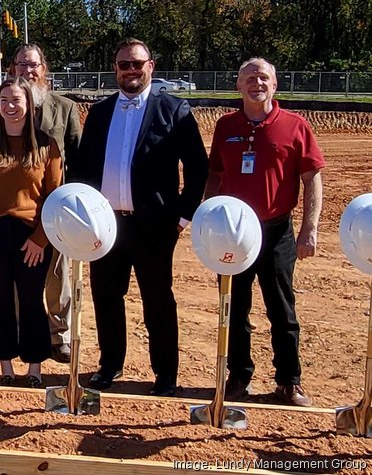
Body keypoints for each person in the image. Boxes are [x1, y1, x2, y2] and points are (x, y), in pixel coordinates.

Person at [72, 38, 208, 397]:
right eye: (123, 65)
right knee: (106, 296)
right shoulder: (100, 113)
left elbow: (197, 168)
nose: (130, 70)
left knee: (158, 300)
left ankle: (165, 374)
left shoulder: (174, 110)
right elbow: (84, 168)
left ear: (151, 66)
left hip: (155, 226)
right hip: (106, 225)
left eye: (137, 64)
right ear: (115, 69)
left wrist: (181, 217)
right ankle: (110, 365)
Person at [205, 57, 324, 407]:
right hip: (232, 234)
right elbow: (214, 175)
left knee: (282, 309)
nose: (257, 83)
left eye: (264, 78)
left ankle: (289, 380)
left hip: (276, 233)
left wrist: (309, 229)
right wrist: (208, 219)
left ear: (275, 85)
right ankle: (238, 375)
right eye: (250, 78)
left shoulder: (295, 126)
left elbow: (311, 178)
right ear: (238, 86)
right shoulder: (226, 126)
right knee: (233, 308)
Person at [0, 43, 81, 363]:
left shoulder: (65, 108)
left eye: (33, 65)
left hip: (53, 209)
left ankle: (58, 333)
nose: (28, 70)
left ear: (44, 69)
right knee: (14, 282)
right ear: (13, 69)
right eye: (22, 65)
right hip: (7, 213)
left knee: (56, 275)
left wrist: (71, 207)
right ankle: (19, 336)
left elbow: (76, 159)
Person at [0, 77, 62, 388]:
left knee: (32, 300)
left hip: (30, 236)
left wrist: (40, 239)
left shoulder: (47, 145)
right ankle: (5, 366)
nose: (9, 106)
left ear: (29, 105)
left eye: (16, 100)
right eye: (4, 100)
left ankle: (34, 369)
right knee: (1, 299)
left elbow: (53, 196)